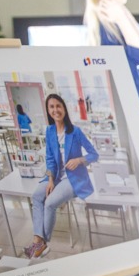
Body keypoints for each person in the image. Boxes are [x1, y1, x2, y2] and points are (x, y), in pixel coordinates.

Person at [26, 94, 99, 259]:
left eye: (58, 106)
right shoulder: (49, 131)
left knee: (50, 203)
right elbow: (50, 158)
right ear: (48, 110)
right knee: (36, 196)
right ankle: (38, 240)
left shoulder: (75, 132)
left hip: (73, 178)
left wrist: (79, 160)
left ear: (64, 108)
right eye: (51, 107)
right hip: (56, 176)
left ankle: (42, 242)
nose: (55, 110)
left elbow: (94, 154)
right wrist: (51, 179)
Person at [85, 0, 139, 112]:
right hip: (126, 108)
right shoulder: (106, 32)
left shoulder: (115, 25)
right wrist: (122, 17)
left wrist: (124, 13)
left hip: (133, 105)